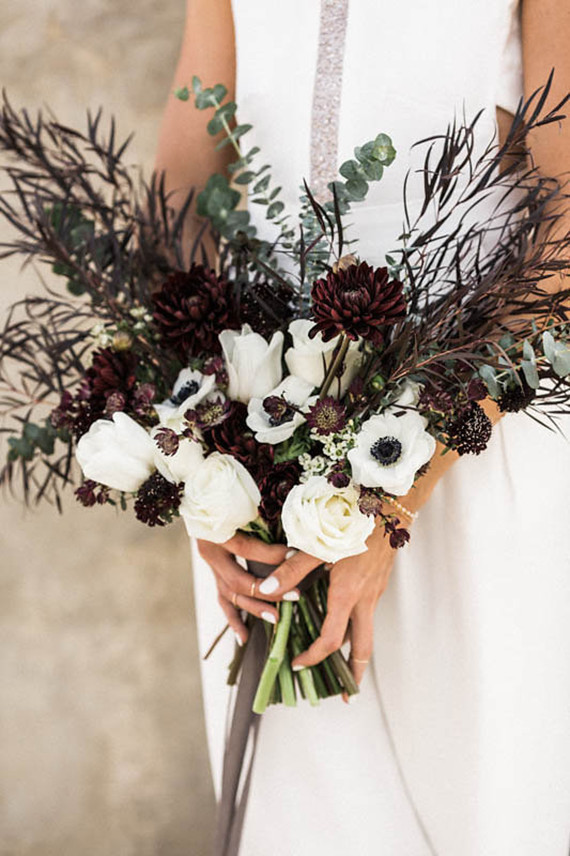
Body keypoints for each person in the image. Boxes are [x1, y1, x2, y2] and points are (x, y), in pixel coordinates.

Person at [155, 1, 570, 853]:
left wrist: (398, 494)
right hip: (266, 441)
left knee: (486, 802)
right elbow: (185, 185)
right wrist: (198, 449)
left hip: (472, 433)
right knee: (304, 813)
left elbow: (565, 223)